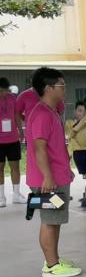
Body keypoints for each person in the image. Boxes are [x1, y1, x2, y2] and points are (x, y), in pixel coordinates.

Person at [25, 67, 81, 277]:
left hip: (56, 176)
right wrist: (48, 177)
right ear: (49, 88)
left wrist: (65, 171)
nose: (64, 89)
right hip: (47, 180)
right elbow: (39, 148)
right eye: (61, 85)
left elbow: (54, 147)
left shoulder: (51, 111)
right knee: (49, 220)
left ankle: (53, 259)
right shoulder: (41, 114)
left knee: (54, 219)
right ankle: (51, 266)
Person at [0, 77, 27, 206]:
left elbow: (17, 115)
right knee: (0, 169)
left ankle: (16, 194)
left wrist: (21, 131)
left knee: (15, 167)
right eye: (1, 91)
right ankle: (1, 197)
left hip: (12, 139)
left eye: (5, 90)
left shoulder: (12, 98)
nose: (4, 93)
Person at [65, 99, 86, 210]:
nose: (82, 113)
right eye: (79, 110)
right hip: (78, 153)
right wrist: (80, 124)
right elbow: (70, 135)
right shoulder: (69, 123)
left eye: (85, 111)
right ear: (75, 112)